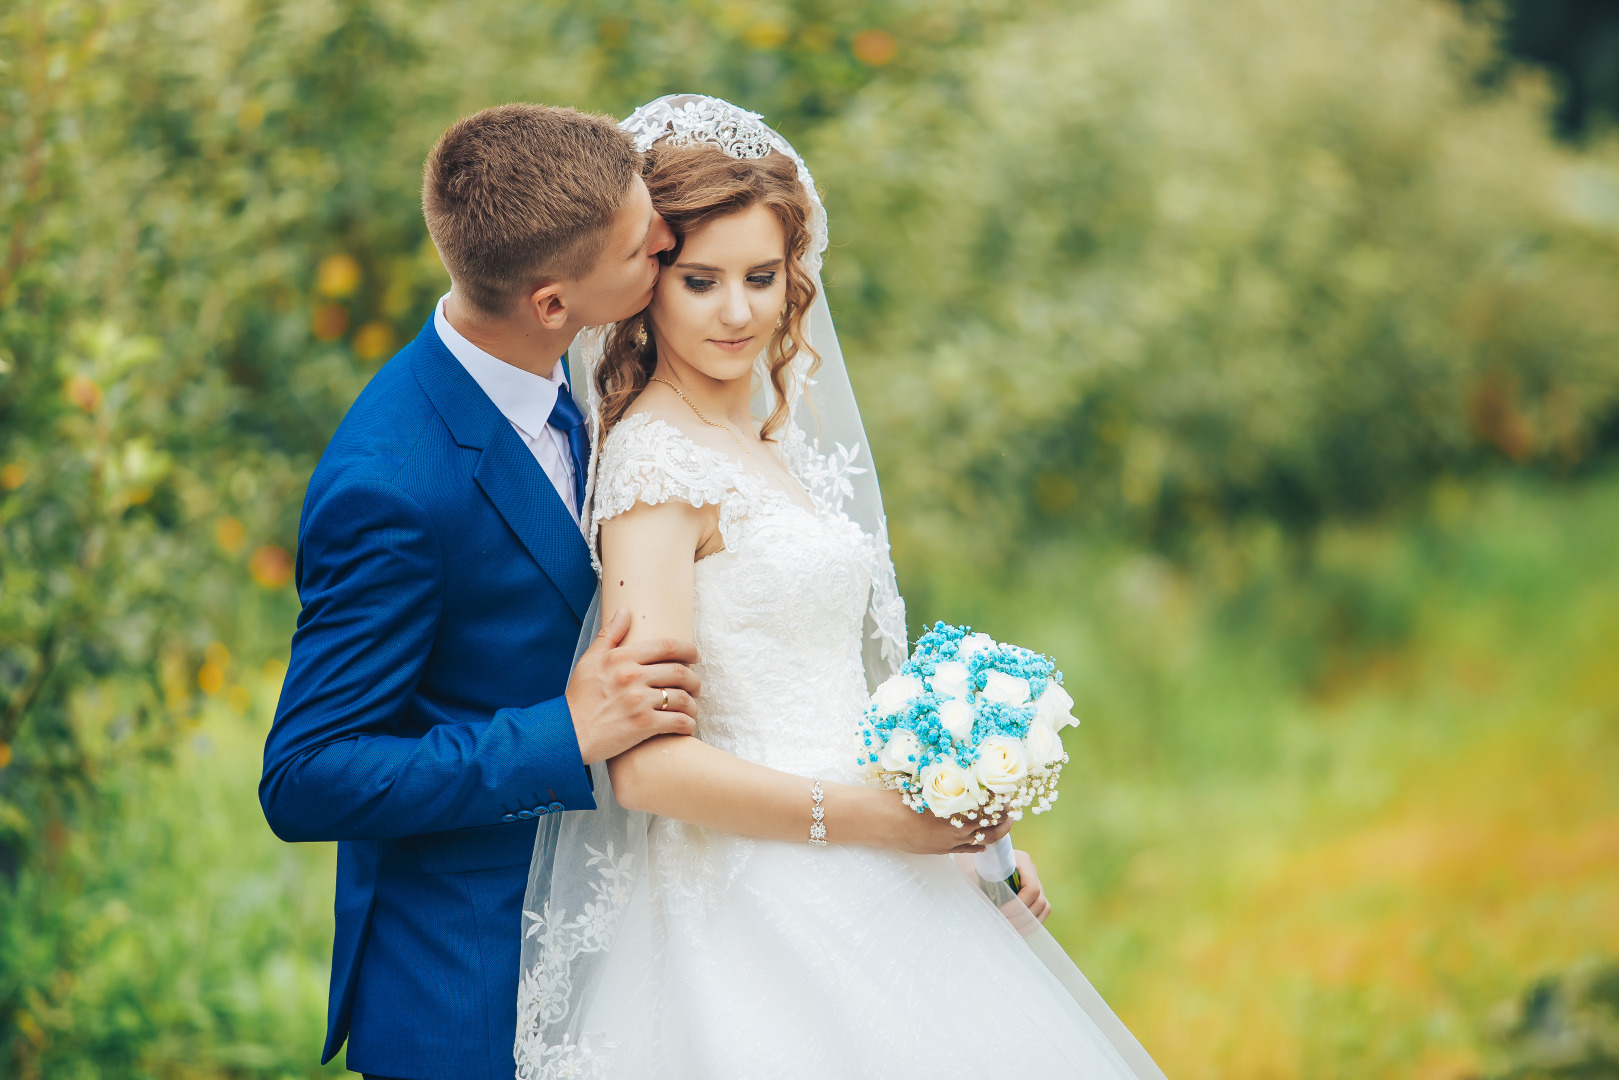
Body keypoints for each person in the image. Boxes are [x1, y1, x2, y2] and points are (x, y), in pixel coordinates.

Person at [516, 96, 1167, 1080]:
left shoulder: (764, 442)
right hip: (753, 903)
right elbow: (647, 769)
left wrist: (948, 834)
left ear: (795, 280)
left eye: (761, 278)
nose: (737, 312)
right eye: (700, 281)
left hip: (876, 863)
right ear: (649, 282)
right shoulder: (654, 466)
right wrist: (878, 822)